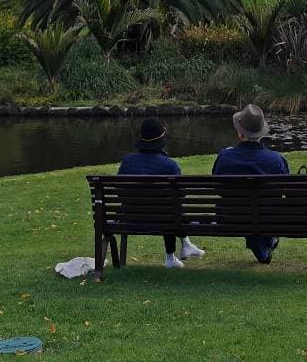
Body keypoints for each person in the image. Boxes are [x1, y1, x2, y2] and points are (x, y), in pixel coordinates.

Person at [118, 117, 205, 269]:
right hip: (165, 219)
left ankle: (186, 246)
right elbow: (180, 197)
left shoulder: (127, 162)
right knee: (170, 208)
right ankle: (172, 256)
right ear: (161, 141)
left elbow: (120, 193)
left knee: (168, 207)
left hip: (131, 218)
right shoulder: (170, 166)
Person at [212, 104, 289, 264]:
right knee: (259, 209)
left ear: (240, 133)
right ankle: (265, 243)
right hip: (269, 215)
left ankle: (263, 246)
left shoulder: (225, 157)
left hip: (232, 216)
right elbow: (284, 188)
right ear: (261, 134)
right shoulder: (277, 160)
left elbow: (217, 187)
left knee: (246, 210)